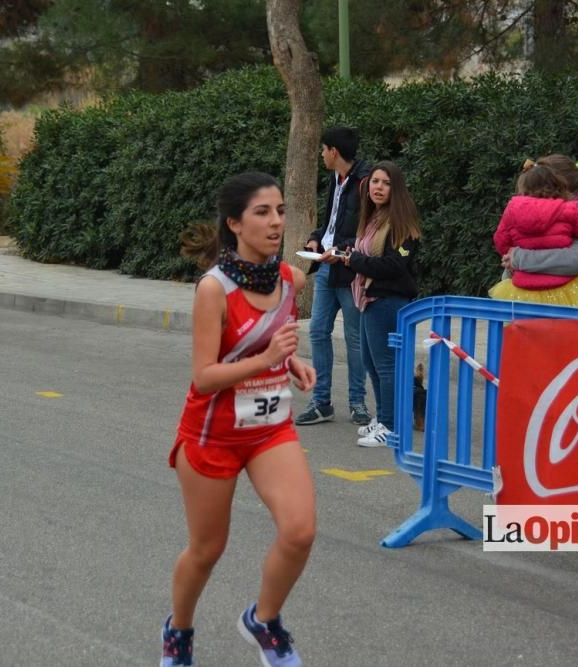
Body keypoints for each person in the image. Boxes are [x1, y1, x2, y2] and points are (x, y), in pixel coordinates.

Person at [162, 172, 316, 667]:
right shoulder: (214, 289)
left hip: (269, 429)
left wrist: (289, 360)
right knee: (207, 551)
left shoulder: (290, 279)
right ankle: (179, 633)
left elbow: (271, 339)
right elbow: (205, 376)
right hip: (214, 435)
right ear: (234, 224)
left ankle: (263, 620)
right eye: (262, 213)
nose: (276, 222)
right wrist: (268, 354)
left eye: (280, 211)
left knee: (299, 531)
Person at [323, 160, 421, 447]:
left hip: (388, 299)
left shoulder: (402, 221)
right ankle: (383, 418)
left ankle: (390, 427)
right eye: (376, 182)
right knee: (371, 363)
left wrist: (354, 260)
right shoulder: (375, 217)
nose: (378, 188)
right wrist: (350, 255)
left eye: (386, 183)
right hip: (367, 296)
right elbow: (368, 256)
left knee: (386, 366)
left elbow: (393, 265)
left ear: (397, 188)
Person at [294, 126, 372, 427]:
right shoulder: (335, 179)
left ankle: (358, 402)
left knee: (354, 339)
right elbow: (331, 222)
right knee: (317, 331)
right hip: (326, 266)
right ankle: (321, 402)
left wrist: (341, 248)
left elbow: (368, 230)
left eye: (323, 150)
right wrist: (316, 239)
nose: (321, 155)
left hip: (349, 270)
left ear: (334, 152)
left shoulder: (365, 181)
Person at [489, 159, 578, 308]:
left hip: (558, 301)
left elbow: (577, 260)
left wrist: (515, 257)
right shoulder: (572, 212)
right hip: (560, 296)